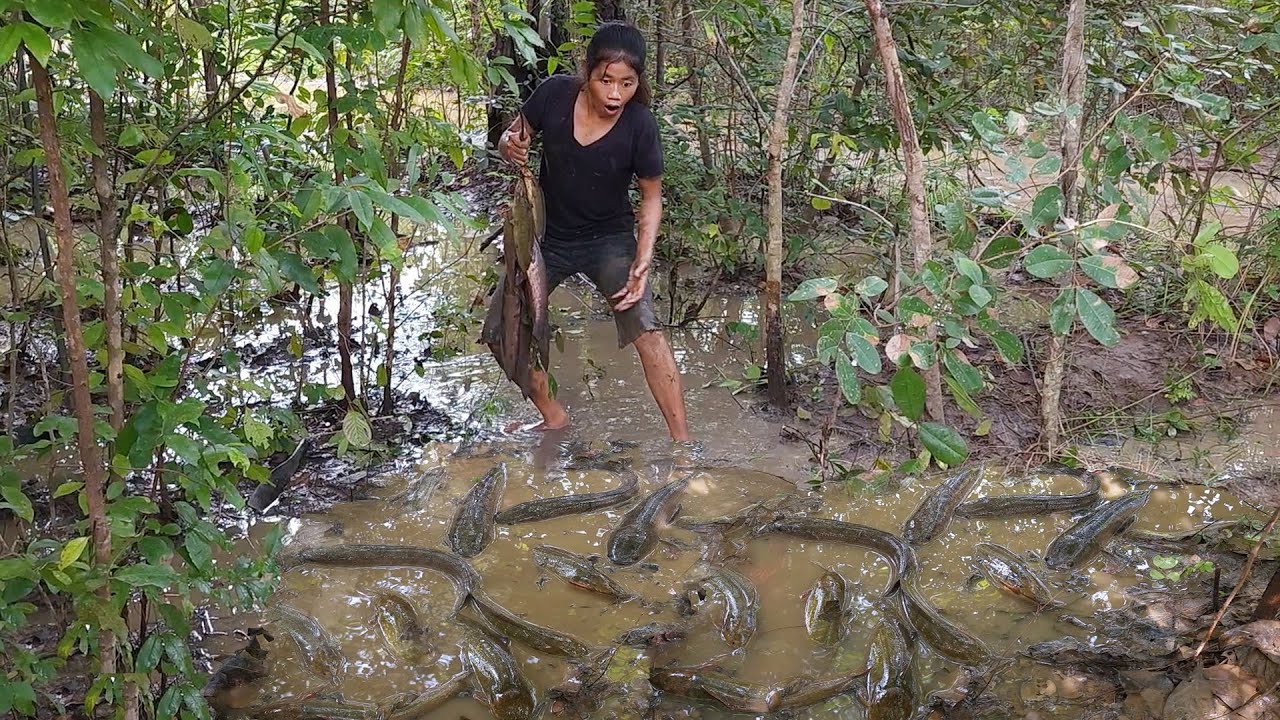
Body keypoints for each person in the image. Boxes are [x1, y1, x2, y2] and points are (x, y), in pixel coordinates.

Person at [490, 21, 691, 442]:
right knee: (503, 329)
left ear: (638, 83)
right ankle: (554, 417)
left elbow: (652, 198)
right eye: (606, 81)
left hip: (609, 240)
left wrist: (642, 260)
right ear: (587, 73)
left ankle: (682, 444)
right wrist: (510, 144)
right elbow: (513, 136)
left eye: (627, 83)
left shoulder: (640, 126)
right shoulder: (554, 95)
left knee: (647, 331)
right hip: (546, 240)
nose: (615, 94)